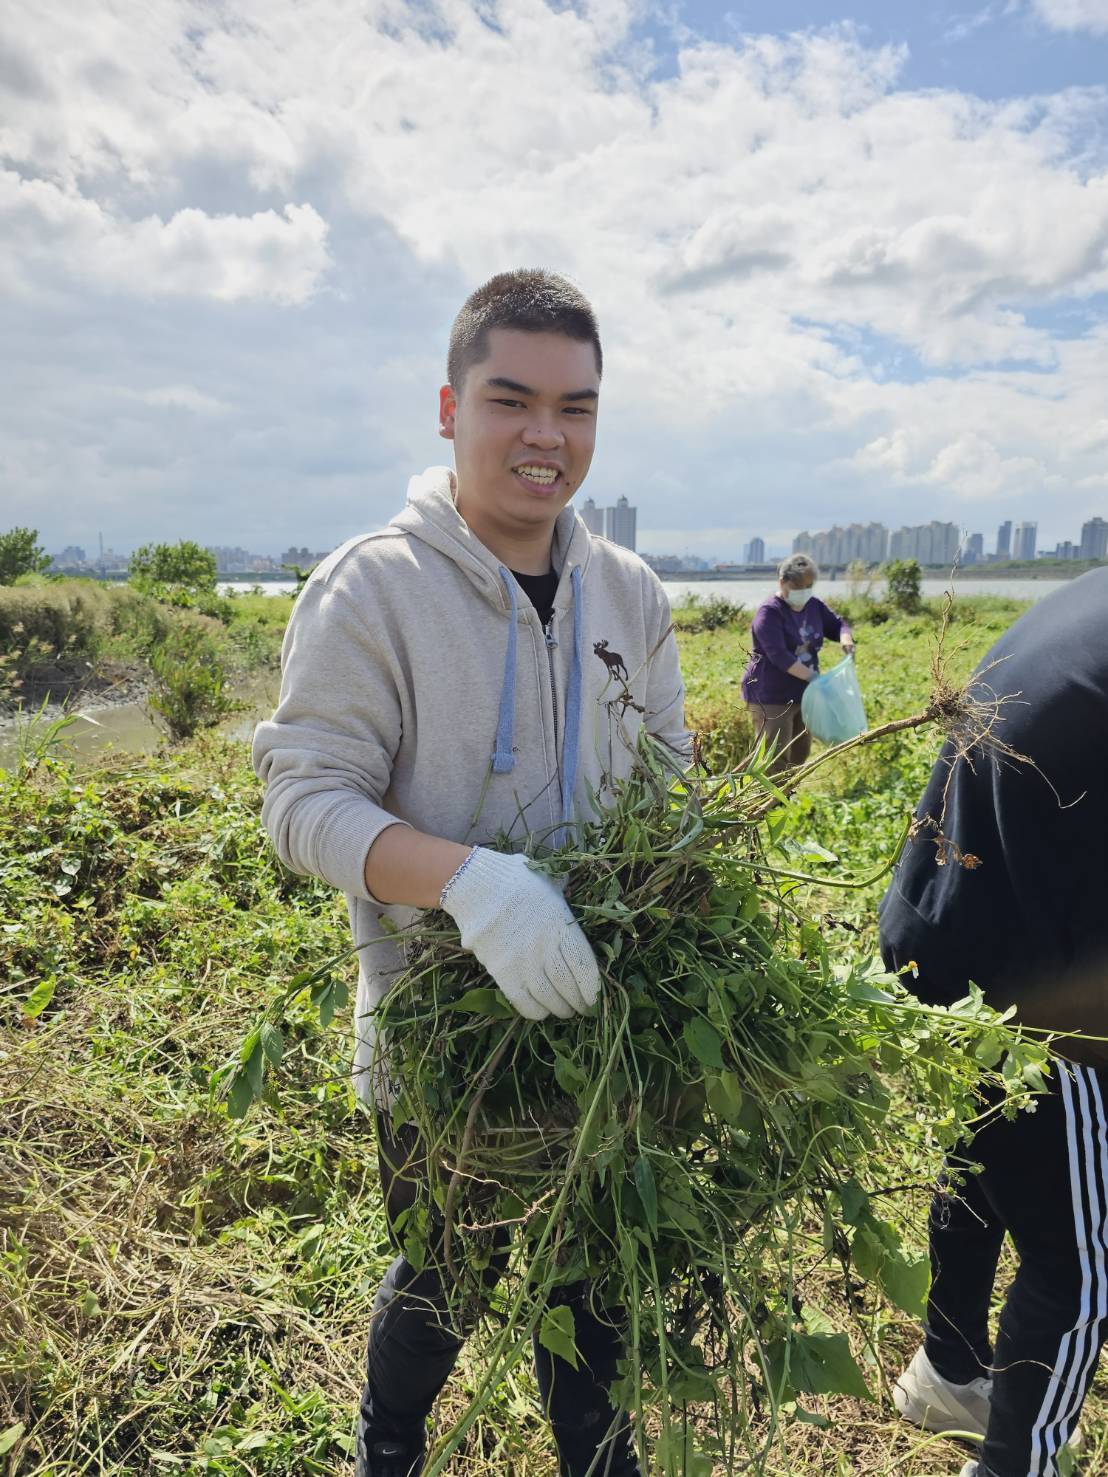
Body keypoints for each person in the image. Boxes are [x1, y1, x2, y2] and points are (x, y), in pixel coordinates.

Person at [252, 269, 688, 1477]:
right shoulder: (372, 589)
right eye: (512, 400)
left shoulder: (630, 592)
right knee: (447, 1270)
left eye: (577, 407)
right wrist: (471, 884)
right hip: (439, 1040)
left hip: (599, 1022)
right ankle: (387, 1442)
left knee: (594, 1291)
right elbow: (303, 803)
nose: (547, 436)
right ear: (448, 407)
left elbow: (672, 780)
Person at [879, 567, 1108, 1477]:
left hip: (940, 923)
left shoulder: (1091, 596)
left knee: (987, 1155)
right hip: (1032, 968)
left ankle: (950, 1370)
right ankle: (1015, 1463)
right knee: (1083, 1257)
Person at [740, 553, 854, 774]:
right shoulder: (769, 613)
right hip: (771, 696)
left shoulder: (814, 606)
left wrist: (846, 638)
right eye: (799, 586)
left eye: (809, 586)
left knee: (800, 752)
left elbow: (839, 624)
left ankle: (786, 800)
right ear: (782, 582)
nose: (804, 591)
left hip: (804, 694)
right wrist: (815, 678)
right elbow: (780, 657)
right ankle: (766, 805)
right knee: (775, 760)